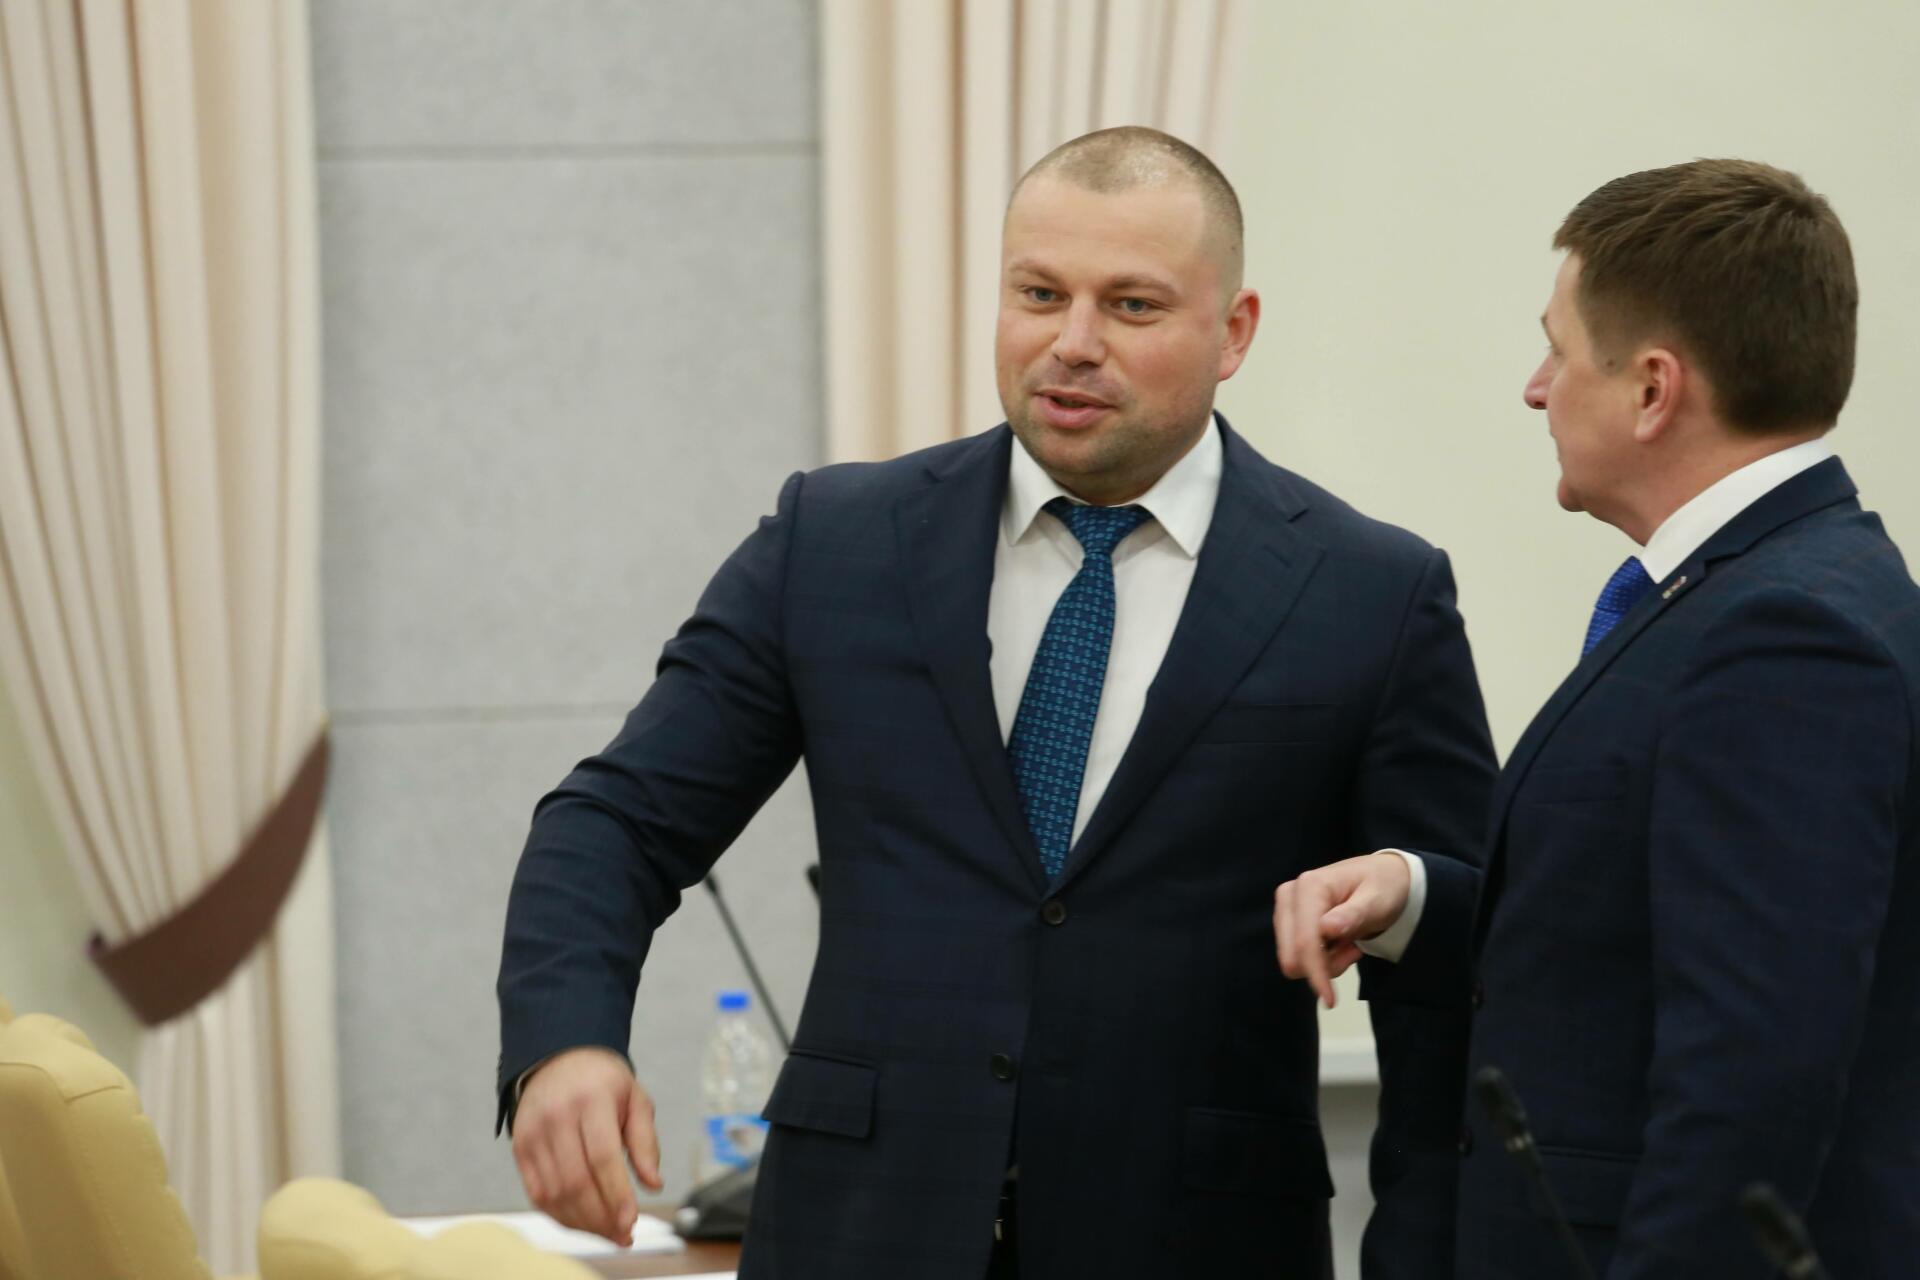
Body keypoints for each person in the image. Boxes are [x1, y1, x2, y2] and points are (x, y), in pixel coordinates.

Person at [498, 126, 1496, 1279]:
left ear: (1234, 331)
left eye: (1131, 305)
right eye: (1039, 293)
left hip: (1199, 1238)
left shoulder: (1369, 591)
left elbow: (1469, 947)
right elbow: (616, 819)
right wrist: (563, 1039)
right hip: (860, 1232)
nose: (1072, 343)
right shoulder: (838, 541)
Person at [1274, 158, 1920, 1277]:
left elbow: (1750, 1074)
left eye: (1559, 350)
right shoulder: (1748, 590)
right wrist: (1417, 899)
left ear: (1653, 389)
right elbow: (1644, 932)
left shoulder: (1787, 635)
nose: (1536, 389)